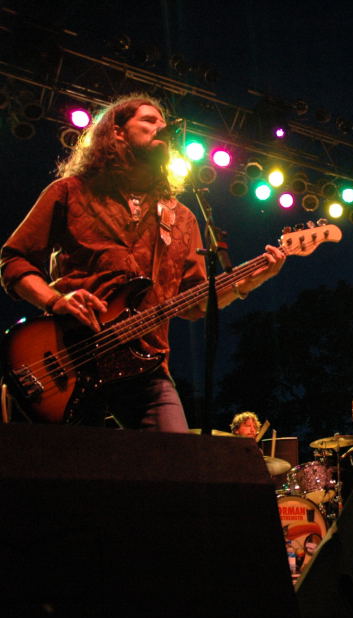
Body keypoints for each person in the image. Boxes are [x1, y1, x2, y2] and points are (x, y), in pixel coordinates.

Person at [0, 94, 285, 431]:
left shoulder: (182, 217)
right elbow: (14, 259)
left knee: (175, 458)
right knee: (72, 463)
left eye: (163, 122)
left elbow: (195, 302)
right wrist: (55, 300)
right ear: (117, 132)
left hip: (145, 365)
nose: (161, 127)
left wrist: (248, 281)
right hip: (69, 356)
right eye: (149, 120)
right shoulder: (70, 191)